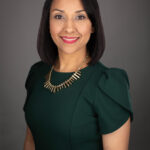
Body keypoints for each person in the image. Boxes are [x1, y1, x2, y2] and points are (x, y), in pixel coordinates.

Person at [23, 0, 134, 149]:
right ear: (47, 22)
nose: (69, 28)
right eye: (58, 16)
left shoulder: (108, 85)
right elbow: (30, 143)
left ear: (93, 25)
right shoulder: (37, 74)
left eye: (80, 17)